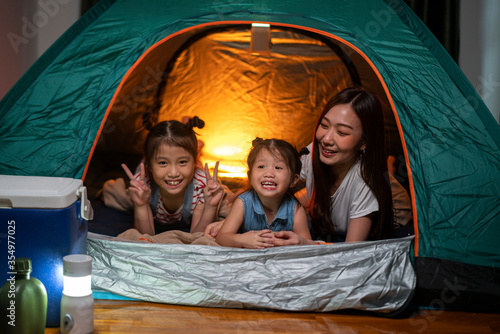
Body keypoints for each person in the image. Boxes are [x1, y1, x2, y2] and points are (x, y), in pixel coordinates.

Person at [273, 87, 395, 245]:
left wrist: (304, 244)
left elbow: (350, 252)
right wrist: (237, 199)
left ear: (364, 142)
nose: (327, 139)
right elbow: (272, 173)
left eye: (342, 132)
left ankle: (391, 164)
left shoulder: (365, 183)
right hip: (325, 225)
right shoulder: (314, 151)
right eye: (324, 125)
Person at [122, 117, 225, 235]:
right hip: (147, 171)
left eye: (182, 162)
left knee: (214, 187)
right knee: (121, 194)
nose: (173, 173)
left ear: (193, 162)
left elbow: (198, 237)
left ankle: (198, 152)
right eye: (163, 163)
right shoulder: (143, 184)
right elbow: (145, 238)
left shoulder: (201, 186)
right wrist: (140, 205)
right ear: (150, 166)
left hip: (194, 172)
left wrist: (211, 207)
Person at [215, 138, 311, 248]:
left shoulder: (295, 210)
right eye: (261, 167)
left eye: (278, 167)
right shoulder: (242, 203)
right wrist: (242, 240)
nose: (269, 173)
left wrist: (299, 242)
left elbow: (307, 245)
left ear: (293, 180)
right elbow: (222, 238)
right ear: (250, 176)